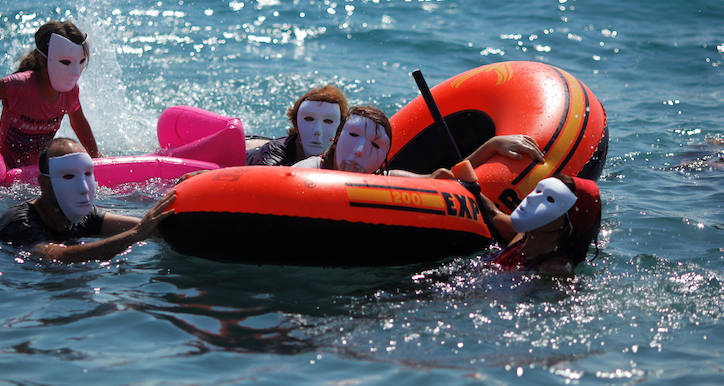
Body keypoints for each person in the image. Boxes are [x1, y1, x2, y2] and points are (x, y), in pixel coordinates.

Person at [0, 138, 173, 263]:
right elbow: (58, 257)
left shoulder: (82, 216)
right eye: (69, 176)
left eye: (87, 175)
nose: (84, 188)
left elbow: (149, 227)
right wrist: (135, 235)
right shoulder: (20, 222)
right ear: (44, 184)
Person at [0, 20, 100, 168]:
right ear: (43, 60)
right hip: (6, 168)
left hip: (38, 170)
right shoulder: (19, 86)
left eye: (81, 61)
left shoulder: (70, 92)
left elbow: (78, 122)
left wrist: (96, 158)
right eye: (66, 62)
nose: (75, 71)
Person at [292, 105, 545, 176]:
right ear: (335, 140)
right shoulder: (307, 170)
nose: (359, 151)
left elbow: (443, 180)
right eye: (354, 136)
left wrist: (492, 146)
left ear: (384, 160)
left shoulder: (390, 181)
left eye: (375, 146)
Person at [482, 174, 602, 274]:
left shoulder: (556, 268)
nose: (532, 199)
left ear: (567, 225)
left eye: (549, 200)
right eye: (538, 191)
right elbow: (493, 213)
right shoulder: (525, 233)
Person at [246, 84, 349, 166]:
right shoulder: (275, 152)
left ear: (340, 130)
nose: (317, 131)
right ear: (295, 125)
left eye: (328, 121)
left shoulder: (347, 157)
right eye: (309, 119)